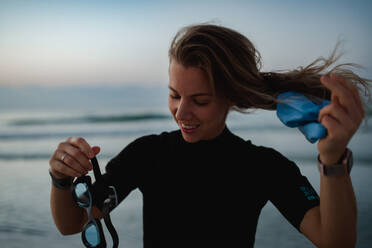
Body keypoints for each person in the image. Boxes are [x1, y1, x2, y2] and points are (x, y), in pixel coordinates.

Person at [49, 23, 371, 247]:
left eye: (200, 101)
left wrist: (332, 160)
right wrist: (61, 178)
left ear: (231, 96)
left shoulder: (262, 166)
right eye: (175, 95)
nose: (181, 112)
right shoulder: (148, 154)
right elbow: (73, 223)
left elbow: (335, 240)